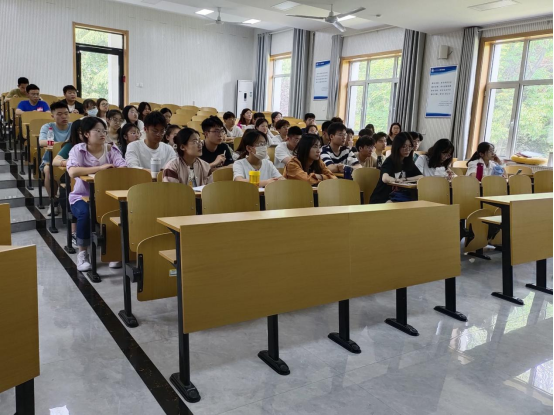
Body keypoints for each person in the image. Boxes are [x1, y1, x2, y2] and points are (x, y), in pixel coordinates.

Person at [67, 117, 127, 272]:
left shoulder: (111, 149)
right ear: (86, 134)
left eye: (104, 131)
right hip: (82, 196)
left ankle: (113, 251)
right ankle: (83, 253)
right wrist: (100, 169)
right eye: (98, 131)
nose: (102, 134)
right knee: (86, 213)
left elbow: (123, 168)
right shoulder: (78, 150)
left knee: (119, 212)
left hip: (107, 196)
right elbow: (73, 171)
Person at [39, 102, 72, 216]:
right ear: (52, 116)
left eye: (66, 113)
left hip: (70, 160)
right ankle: (53, 202)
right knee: (48, 171)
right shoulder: (47, 127)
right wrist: (62, 144)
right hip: (50, 161)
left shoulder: (73, 126)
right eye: (59, 114)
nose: (64, 116)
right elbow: (41, 142)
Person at [370, 132, 423, 204]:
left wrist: (405, 179)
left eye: (410, 146)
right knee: (395, 205)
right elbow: (385, 178)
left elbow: (420, 177)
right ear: (397, 147)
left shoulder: (408, 162)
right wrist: (397, 180)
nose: (407, 149)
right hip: (382, 197)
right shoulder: (390, 160)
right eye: (404, 146)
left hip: (399, 196)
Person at [53, 120, 83, 244]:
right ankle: (73, 232)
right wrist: (70, 162)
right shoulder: (70, 146)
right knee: (71, 192)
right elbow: (55, 161)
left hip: (89, 179)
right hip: (72, 178)